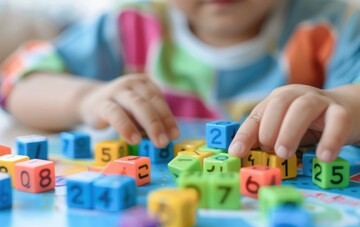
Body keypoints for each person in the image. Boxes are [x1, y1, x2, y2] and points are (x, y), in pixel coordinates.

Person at [1, 0, 360, 163]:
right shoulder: (128, 24)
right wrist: (85, 98)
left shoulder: (337, 24)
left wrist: (346, 105)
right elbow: (16, 80)